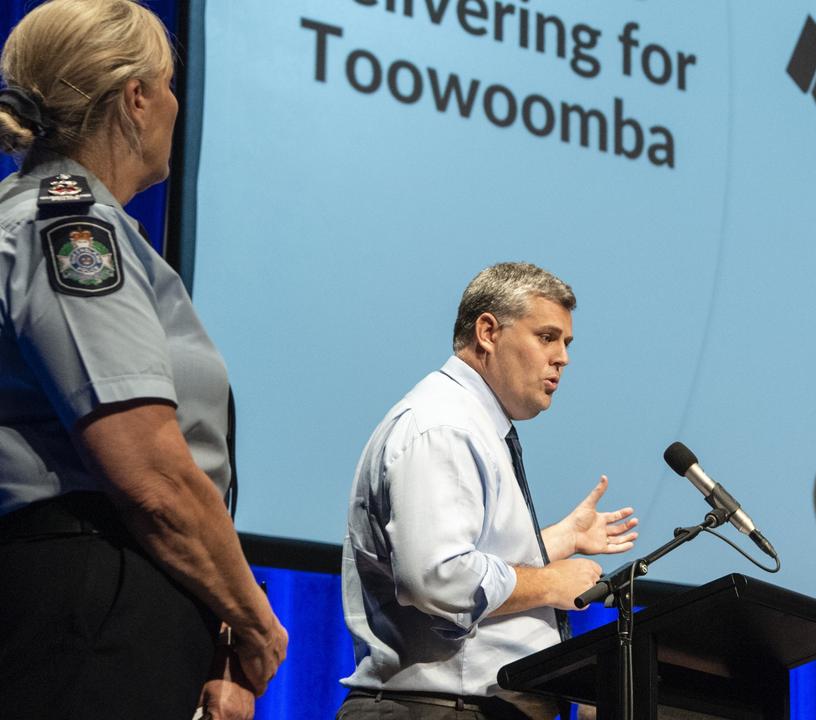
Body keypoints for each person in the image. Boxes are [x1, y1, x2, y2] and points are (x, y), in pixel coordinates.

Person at [0, 1, 287, 718]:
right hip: (85, 598)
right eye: (167, 85)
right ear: (135, 98)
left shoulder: (85, 227)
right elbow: (150, 473)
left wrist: (213, 632)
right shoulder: (69, 230)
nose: (175, 105)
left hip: (110, 595)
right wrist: (255, 621)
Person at [339, 262, 639, 720]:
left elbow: (473, 552)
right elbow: (437, 577)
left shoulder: (470, 422)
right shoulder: (443, 426)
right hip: (440, 709)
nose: (563, 358)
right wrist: (551, 583)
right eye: (547, 337)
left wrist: (558, 541)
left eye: (566, 343)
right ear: (488, 332)